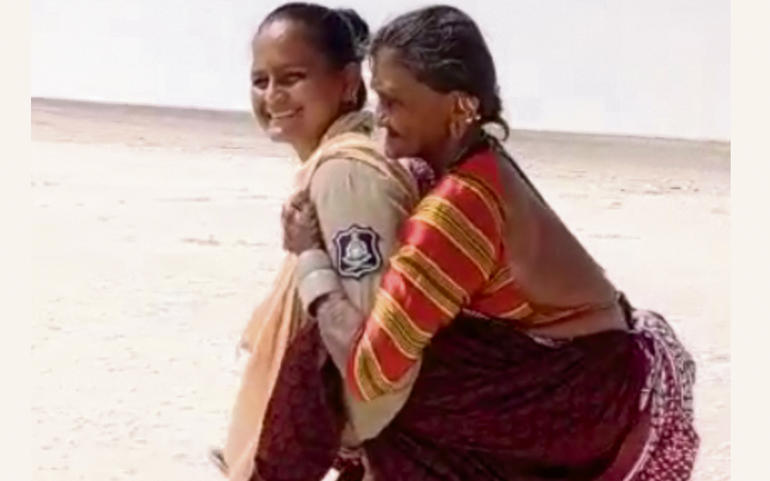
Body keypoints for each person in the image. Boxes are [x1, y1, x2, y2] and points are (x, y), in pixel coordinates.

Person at [254, 5, 699, 481]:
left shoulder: (458, 208)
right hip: (585, 376)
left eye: (394, 102)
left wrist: (312, 263)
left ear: (460, 108)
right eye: (378, 98)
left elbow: (372, 373)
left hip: (580, 394)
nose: (380, 118)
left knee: (326, 357)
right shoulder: (476, 161)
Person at [212, 4, 433, 480]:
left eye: (292, 77)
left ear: (348, 82)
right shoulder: (328, 167)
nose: (273, 96)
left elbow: (376, 360)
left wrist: (349, 448)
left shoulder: (346, 175)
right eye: (260, 80)